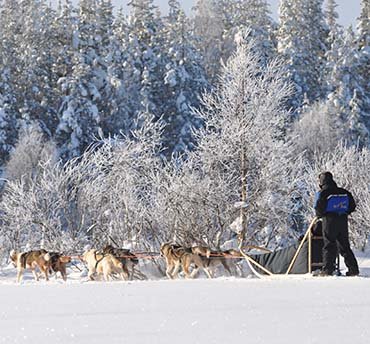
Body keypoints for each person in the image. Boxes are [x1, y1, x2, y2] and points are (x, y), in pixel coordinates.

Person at [314, 171, 359, 276]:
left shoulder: (323, 193)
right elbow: (352, 206)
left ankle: (327, 270)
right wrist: (344, 212)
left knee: (329, 245)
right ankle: (353, 269)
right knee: (344, 246)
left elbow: (319, 210)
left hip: (329, 221)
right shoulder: (344, 192)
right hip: (342, 221)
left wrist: (322, 215)